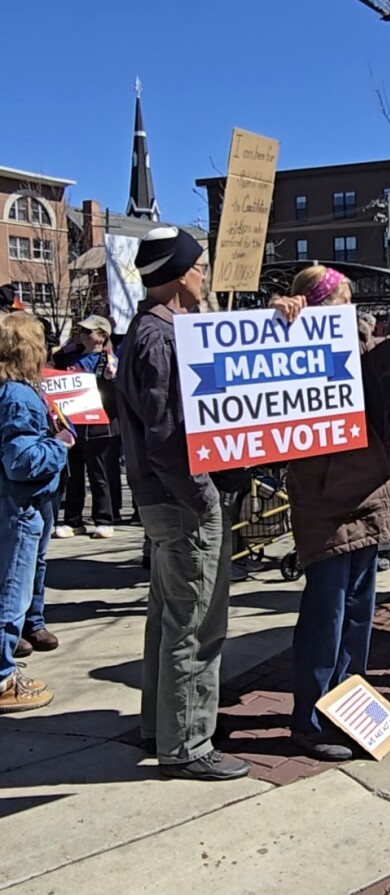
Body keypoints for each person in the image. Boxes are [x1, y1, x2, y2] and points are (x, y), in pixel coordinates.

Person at [117, 226, 251, 781]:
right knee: (196, 625)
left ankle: (161, 727)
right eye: (200, 268)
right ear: (177, 275)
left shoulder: (152, 330)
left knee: (169, 618)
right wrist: (202, 497)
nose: (205, 277)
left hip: (166, 499)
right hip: (182, 501)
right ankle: (189, 745)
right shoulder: (161, 339)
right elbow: (167, 436)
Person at [272, 265, 390, 761]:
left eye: (351, 302)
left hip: (371, 493)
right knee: (325, 616)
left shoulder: (369, 351)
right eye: (338, 302)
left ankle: (347, 711)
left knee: (357, 615)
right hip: (324, 499)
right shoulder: (289, 345)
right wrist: (275, 322)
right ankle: (309, 722)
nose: (350, 311)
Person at [0, 312, 71, 712]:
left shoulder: (15, 390)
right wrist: (59, 446)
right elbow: (21, 462)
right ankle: (2, 678)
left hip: (14, 502)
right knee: (12, 590)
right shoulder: (18, 396)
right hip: (20, 504)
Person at [52, 315, 120, 539]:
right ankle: (73, 521)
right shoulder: (69, 356)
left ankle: (104, 519)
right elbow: (53, 361)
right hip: (72, 424)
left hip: (99, 425)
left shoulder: (108, 360)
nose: (82, 334)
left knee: (98, 473)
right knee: (73, 475)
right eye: (81, 330)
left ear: (101, 336)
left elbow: (116, 394)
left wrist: (111, 378)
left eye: (87, 331)